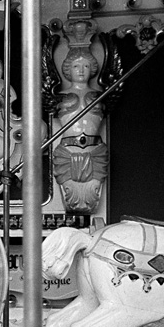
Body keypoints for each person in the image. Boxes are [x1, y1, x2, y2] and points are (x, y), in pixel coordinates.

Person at [52, 47, 108, 213]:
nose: (81, 70)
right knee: (71, 193)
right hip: (68, 150)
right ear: (68, 69)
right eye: (76, 66)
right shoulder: (61, 95)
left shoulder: (99, 95)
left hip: (94, 150)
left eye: (86, 66)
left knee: (93, 192)